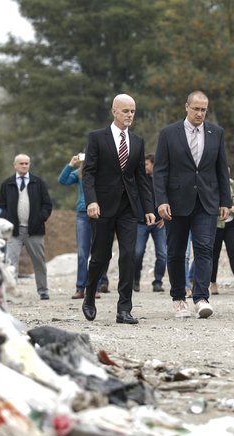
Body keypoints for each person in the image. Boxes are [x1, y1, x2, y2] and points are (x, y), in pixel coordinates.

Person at [154, 90, 232, 319]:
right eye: (196, 108)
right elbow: (159, 171)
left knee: (205, 249)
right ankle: (179, 299)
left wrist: (225, 201)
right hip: (176, 203)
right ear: (186, 107)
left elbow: (221, 168)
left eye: (203, 110)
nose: (200, 113)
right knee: (177, 252)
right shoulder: (169, 134)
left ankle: (201, 298)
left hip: (206, 202)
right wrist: (161, 201)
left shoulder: (216, 133)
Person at [81, 94, 155, 324]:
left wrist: (148, 208)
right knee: (100, 256)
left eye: (132, 111)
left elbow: (141, 178)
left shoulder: (137, 141)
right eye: (125, 111)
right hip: (102, 207)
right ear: (114, 111)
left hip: (128, 208)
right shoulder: (97, 138)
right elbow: (89, 173)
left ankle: (124, 309)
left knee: (129, 255)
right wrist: (91, 201)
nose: (129, 115)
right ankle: (89, 295)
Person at [0, 154, 53, 300]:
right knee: (11, 262)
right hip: (14, 231)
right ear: (15, 165)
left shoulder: (38, 182)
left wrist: (40, 219)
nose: (24, 166)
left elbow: (47, 205)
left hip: (34, 230)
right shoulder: (7, 184)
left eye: (26, 163)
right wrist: (8, 221)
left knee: (39, 262)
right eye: (21, 163)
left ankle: (43, 291)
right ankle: (11, 292)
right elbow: (1, 206)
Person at [58, 155, 109, 300]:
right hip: (82, 213)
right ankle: (80, 288)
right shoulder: (80, 172)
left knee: (97, 253)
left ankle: (94, 288)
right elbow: (62, 180)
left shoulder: (104, 171)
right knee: (82, 253)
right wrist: (71, 164)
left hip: (100, 213)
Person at [134, 154, 167, 293]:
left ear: (154, 164)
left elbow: (169, 199)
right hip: (142, 222)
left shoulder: (163, 179)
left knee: (163, 254)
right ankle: (135, 280)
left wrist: (165, 218)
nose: (145, 167)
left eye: (147, 164)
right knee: (137, 253)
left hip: (159, 224)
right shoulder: (141, 179)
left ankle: (158, 282)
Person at [210, 171, 234, 294]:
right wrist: (230, 208)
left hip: (231, 225)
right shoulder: (211, 185)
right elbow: (211, 205)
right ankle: (213, 283)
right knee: (214, 255)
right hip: (217, 225)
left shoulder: (231, 183)